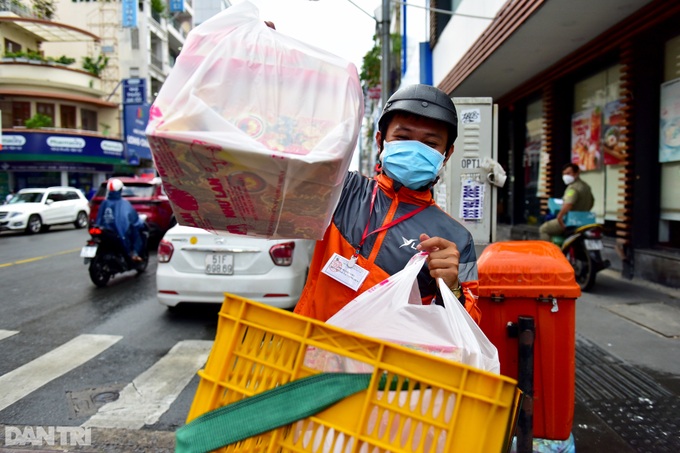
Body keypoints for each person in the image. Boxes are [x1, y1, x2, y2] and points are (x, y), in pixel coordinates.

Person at [294, 84, 481, 324]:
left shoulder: (457, 239)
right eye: (402, 138)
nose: (415, 151)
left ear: (447, 153)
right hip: (311, 350)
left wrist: (452, 287)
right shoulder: (340, 190)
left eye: (431, 144)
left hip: (388, 360)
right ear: (381, 141)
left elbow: (470, 326)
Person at [539, 163, 594, 241]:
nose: (565, 176)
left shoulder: (573, 188)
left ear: (577, 173)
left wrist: (560, 216)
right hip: (584, 220)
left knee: (543, 229)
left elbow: (568, 204)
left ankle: (549, 252)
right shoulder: (586, 186)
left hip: (571, 221)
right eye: (564, 174)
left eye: (568, 173)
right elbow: (591, 202)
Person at [95, 178, 144, 262]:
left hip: (104, 231)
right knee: (136, 232)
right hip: (118, 233)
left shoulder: (104, 202)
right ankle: (135, 254)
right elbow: (134, 220)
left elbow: (99, 219)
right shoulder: (124, 203)